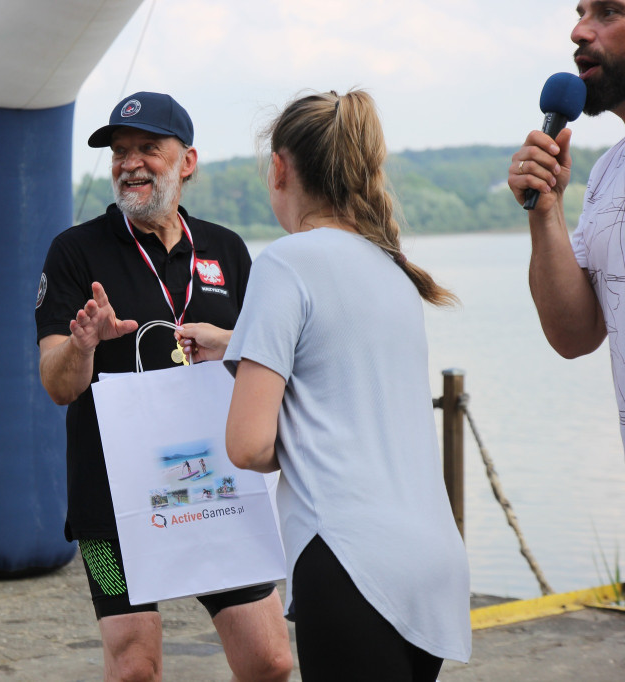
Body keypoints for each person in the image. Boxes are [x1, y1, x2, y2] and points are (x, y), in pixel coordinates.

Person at [36, 91, 292, 681]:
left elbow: (262, 364)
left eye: (149, 148)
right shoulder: (75, 252)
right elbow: (56, 384)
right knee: (133, 669)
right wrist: (82, 345)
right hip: (108, 510)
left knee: (272, 661)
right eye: (120, 151)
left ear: (188, 160)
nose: (131, 162)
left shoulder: (226, 250)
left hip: (217, 491)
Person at [223, 90, 471, 681]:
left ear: (279, 168)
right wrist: (238, 343)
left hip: (349, 557)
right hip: (431, 558)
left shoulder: (285, 263)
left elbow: (248, 445)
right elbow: (351, 385)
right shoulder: (390, 267)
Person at [509, 0, 625, 453]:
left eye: (608, 13)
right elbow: (574, 335)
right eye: (579, 14)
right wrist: (547, 210)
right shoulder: (607, 173)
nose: (578, 31)